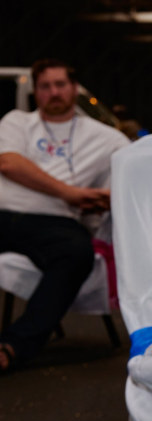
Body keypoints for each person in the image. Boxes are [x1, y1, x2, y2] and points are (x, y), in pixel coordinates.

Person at [0, 59, 128, 371]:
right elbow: (8, 163)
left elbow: (128, 181)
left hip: (54, 223)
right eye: (45, 86)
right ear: (35, 92)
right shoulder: (17, 122)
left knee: (77, 253)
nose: (53, 92)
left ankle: (13, 346)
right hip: (3, 211)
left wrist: (100, 200)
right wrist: (70, 193)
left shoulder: (106, 138)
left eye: (60, 84)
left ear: (74, 89)